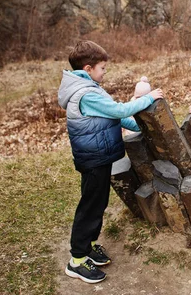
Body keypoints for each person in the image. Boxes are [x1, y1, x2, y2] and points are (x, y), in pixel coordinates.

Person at [58, 40, 164, 284]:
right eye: (102, 68)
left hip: (100, 156)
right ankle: (76, 260)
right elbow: (119, 111)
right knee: (90, 206)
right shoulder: (85, 93)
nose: (105, 72)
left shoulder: (91, 87)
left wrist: (139, 128)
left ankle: (89, 245)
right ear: (88, 69)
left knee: (99, 202)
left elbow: (112, 116)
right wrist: (148, 99)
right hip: (94, 159)